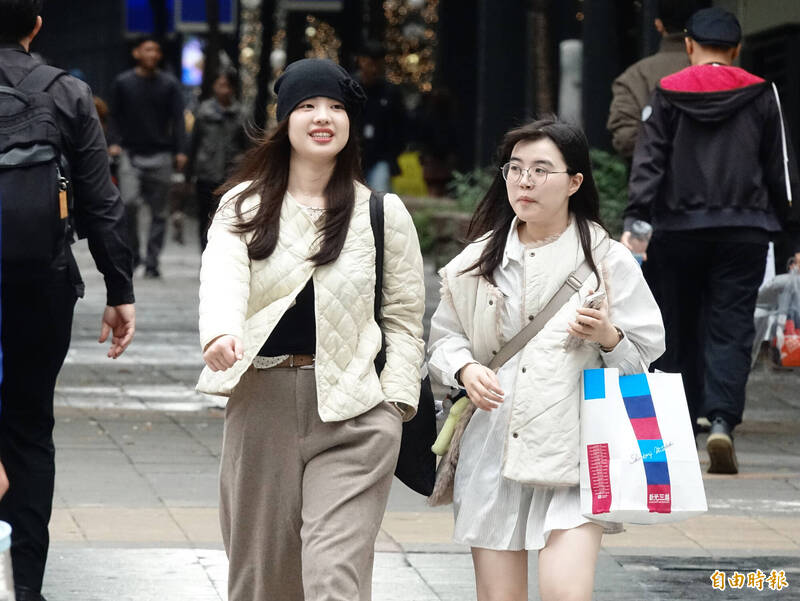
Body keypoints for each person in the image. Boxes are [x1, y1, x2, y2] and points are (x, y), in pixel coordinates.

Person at [196, 58, 425, 601]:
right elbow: (222, 280)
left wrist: (394, 404)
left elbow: (404, 321)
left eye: (337, 107)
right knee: (262, 580)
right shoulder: (243, 204)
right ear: (285, 121)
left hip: (355, 412)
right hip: (263, 403)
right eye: (307, 105)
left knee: (333, 577)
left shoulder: (382, 214)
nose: (323, 117)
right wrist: (221, 335)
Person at [427, 119, 665, 601]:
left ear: (575, 182)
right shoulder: (476, 261)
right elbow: (444, 340)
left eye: (541, 170)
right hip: (492, 445)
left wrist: (607, 335)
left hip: (577, 450)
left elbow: (645, 355)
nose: (524, 181)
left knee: (566, 594)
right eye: (515, 169)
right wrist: (465, 369)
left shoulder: (608, 261)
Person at [622, 7, 800, 474]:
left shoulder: (666, 92)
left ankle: (678, 427)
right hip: (744, 231)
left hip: (676, 231)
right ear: (737, 50)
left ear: (688, 46)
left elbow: (649, 162)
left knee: (673, 325)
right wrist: (786, 232)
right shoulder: (762, 92)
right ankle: (721, 419)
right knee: (731, 324)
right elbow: (779, 169)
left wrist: (638, 220)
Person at [0, 2, 136, 600]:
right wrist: (119, 288)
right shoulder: (69, 94)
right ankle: (23, 585)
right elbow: (99, 199)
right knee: (29, 429)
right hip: (40, 286)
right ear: (35, 25)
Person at [110, 35, 187, 278]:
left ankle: (153, 261)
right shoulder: (123, 82)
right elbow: (114, 116)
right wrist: (112, 142)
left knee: (159, 212)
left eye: (156, 50)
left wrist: (181, 150)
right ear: (137, 53)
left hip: (161, 154)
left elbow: (179, 119)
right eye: (147, 50)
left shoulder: (169, 84)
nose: (152, 54)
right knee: (128, 203)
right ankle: (134, 254)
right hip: (131, 153)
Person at [607, 0, 696, 163]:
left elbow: (625, 139)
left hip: (653, 182)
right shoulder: (717, 73)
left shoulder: (634, 76)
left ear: (658, 25)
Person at [186, 69, 248, 251]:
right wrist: (189, 175)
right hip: (207, 172)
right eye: (220, 85)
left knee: (228, 217)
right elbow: (194, 142)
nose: (224, 90)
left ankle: (223, 254)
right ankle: (205, 254)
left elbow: (247, 145)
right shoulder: (203, 112)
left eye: (227, 86)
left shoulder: (241, 114)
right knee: (205, 216)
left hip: (231, 173)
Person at [355, 40, 407, 192]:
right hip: (353, 155)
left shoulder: (391, 93)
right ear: (361, 61)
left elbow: (400, 125)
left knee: (379, 196)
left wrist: (394, 153)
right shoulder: (350, 87)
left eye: (378, 63)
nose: (374, 69)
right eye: (370, 63)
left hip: (381, 156)